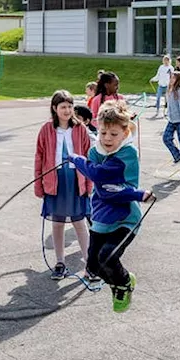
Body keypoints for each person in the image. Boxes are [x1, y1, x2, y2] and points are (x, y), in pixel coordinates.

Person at [66, 101, 155, 313]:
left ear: (125, 133)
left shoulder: (127, 154)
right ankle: (120, 282)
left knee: (107, 256)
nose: (107, 138)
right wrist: (84, 160)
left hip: (125, 218)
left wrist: (76, 159)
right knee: (93, 266)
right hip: (101, 217)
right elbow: (99, 181)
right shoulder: (95, 152)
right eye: (104, 132)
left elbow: (102, 180)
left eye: (114, 134)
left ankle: (123, 284)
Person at [34, 90, 94, 280]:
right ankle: (60, 263)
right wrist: (38, 184)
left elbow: (88, 157)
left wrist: (90, 183)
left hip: (77, 182)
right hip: (55, 183)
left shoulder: (80, 129)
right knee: (58, 224)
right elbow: (39, 157)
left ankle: (89, 263)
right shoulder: (46, 129)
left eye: (69, 106)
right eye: (63, 107)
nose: (67, 110)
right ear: (55, 108)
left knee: (79, 223)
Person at [160, 71, 180, 174]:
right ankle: (178, 156)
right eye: (171, 78)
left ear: (178, 80)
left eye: (173, 78)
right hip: (172, 120)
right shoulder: (170, 90)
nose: (171, 80)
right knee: (166, 138)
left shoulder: (179, 92)